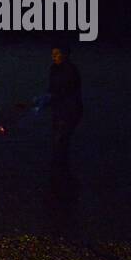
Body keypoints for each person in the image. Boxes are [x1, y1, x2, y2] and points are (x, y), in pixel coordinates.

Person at [47, 45, 83, 185]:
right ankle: (60, 175)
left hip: (70, 110)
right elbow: (52, 89)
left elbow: (69, 92)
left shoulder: (71, 71)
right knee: (58, 141)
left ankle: (62, 176)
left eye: (57, 54)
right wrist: (44, 99)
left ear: (65, 54)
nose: (54, 56)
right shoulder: (53, 69)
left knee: (61, 140)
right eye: (53, 54)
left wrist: (52, 98)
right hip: (58, 109)